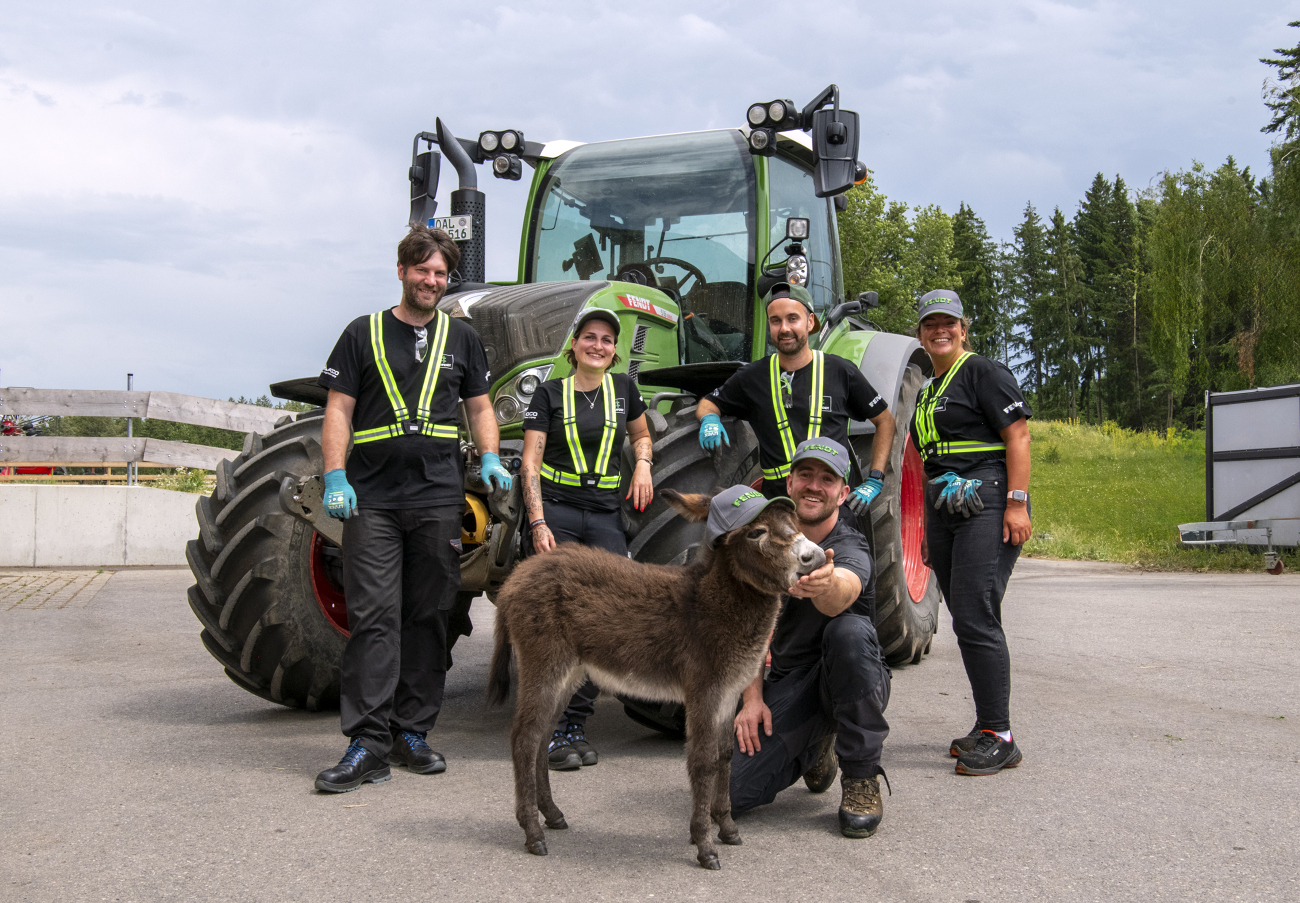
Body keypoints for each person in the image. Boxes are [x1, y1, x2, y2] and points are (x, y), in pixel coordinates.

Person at [312, 225, 512, 793]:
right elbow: (339, 409)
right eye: (422, 270)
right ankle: (367, 744)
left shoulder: (462, 339)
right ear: (402, 271)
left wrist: (492, 458)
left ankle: (412, 733)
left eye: (440, 273)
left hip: (436, 497)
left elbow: (479, 406)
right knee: (374, 618)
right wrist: (334, 474)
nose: (431, 280)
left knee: (428, 617)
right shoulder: (362, 334)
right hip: (372, 498)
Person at [730, 437, 892, 839]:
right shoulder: (765, 546)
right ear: (789, 484)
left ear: (843, 492)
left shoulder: (850, 545)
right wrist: (752, 700)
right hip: (791, 681)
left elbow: (845, 590)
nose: (814, 486)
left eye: (827, 478)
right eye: (805, 475)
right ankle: (817, 743)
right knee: (730, 791)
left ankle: (860, 777)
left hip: (851, 678)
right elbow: (748, 630)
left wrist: (826, 584)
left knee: (849, 631)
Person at [520, 307, 654, 771]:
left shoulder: (624, 391)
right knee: (555, 624)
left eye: (607, 340)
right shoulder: (549, 393)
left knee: (605, 622)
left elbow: (642, 436)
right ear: (575, 345)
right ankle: (553, 728)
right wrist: (537, 523)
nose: (598, 345)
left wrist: (643, 462)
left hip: (603, 514)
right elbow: (530, 463)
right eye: (590, 337)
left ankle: (576, 722)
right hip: (556, 511)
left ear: (615, 352)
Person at [911, 289, 1032, 776]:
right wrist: (926, 527)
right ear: (920, 334)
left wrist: (1016, 505)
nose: (939, 330)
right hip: (944, 503)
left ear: (963, 328)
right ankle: (986, 725)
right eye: (929, 324)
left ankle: (1001, 736)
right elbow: (926, 461)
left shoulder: (983, 372)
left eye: (948, 322)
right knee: (965, 614)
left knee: (977, 612)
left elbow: (1018, 436)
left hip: (987, 495)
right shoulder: (926, 392)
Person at [695, 282, 897, 517]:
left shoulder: (841, 371)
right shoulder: (751, 377)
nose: (784, 329)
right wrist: (709, 419)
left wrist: (875, 480)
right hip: (778, 509)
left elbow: (886, 421)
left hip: (833, 507)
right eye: (775, 320)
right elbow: (709, 402)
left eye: (793, 319)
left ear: (810, 322)